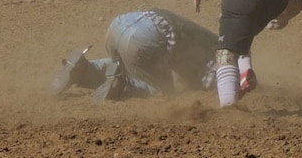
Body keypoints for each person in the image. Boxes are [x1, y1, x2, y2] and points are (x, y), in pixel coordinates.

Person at [49, 8, 219, 101]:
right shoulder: (218, 53)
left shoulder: (203, 36)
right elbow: (208, 80)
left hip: (119, 24)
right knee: (161, 90)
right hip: (145, 37)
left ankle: (84, 68)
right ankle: (124, 84)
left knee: (126, 64)